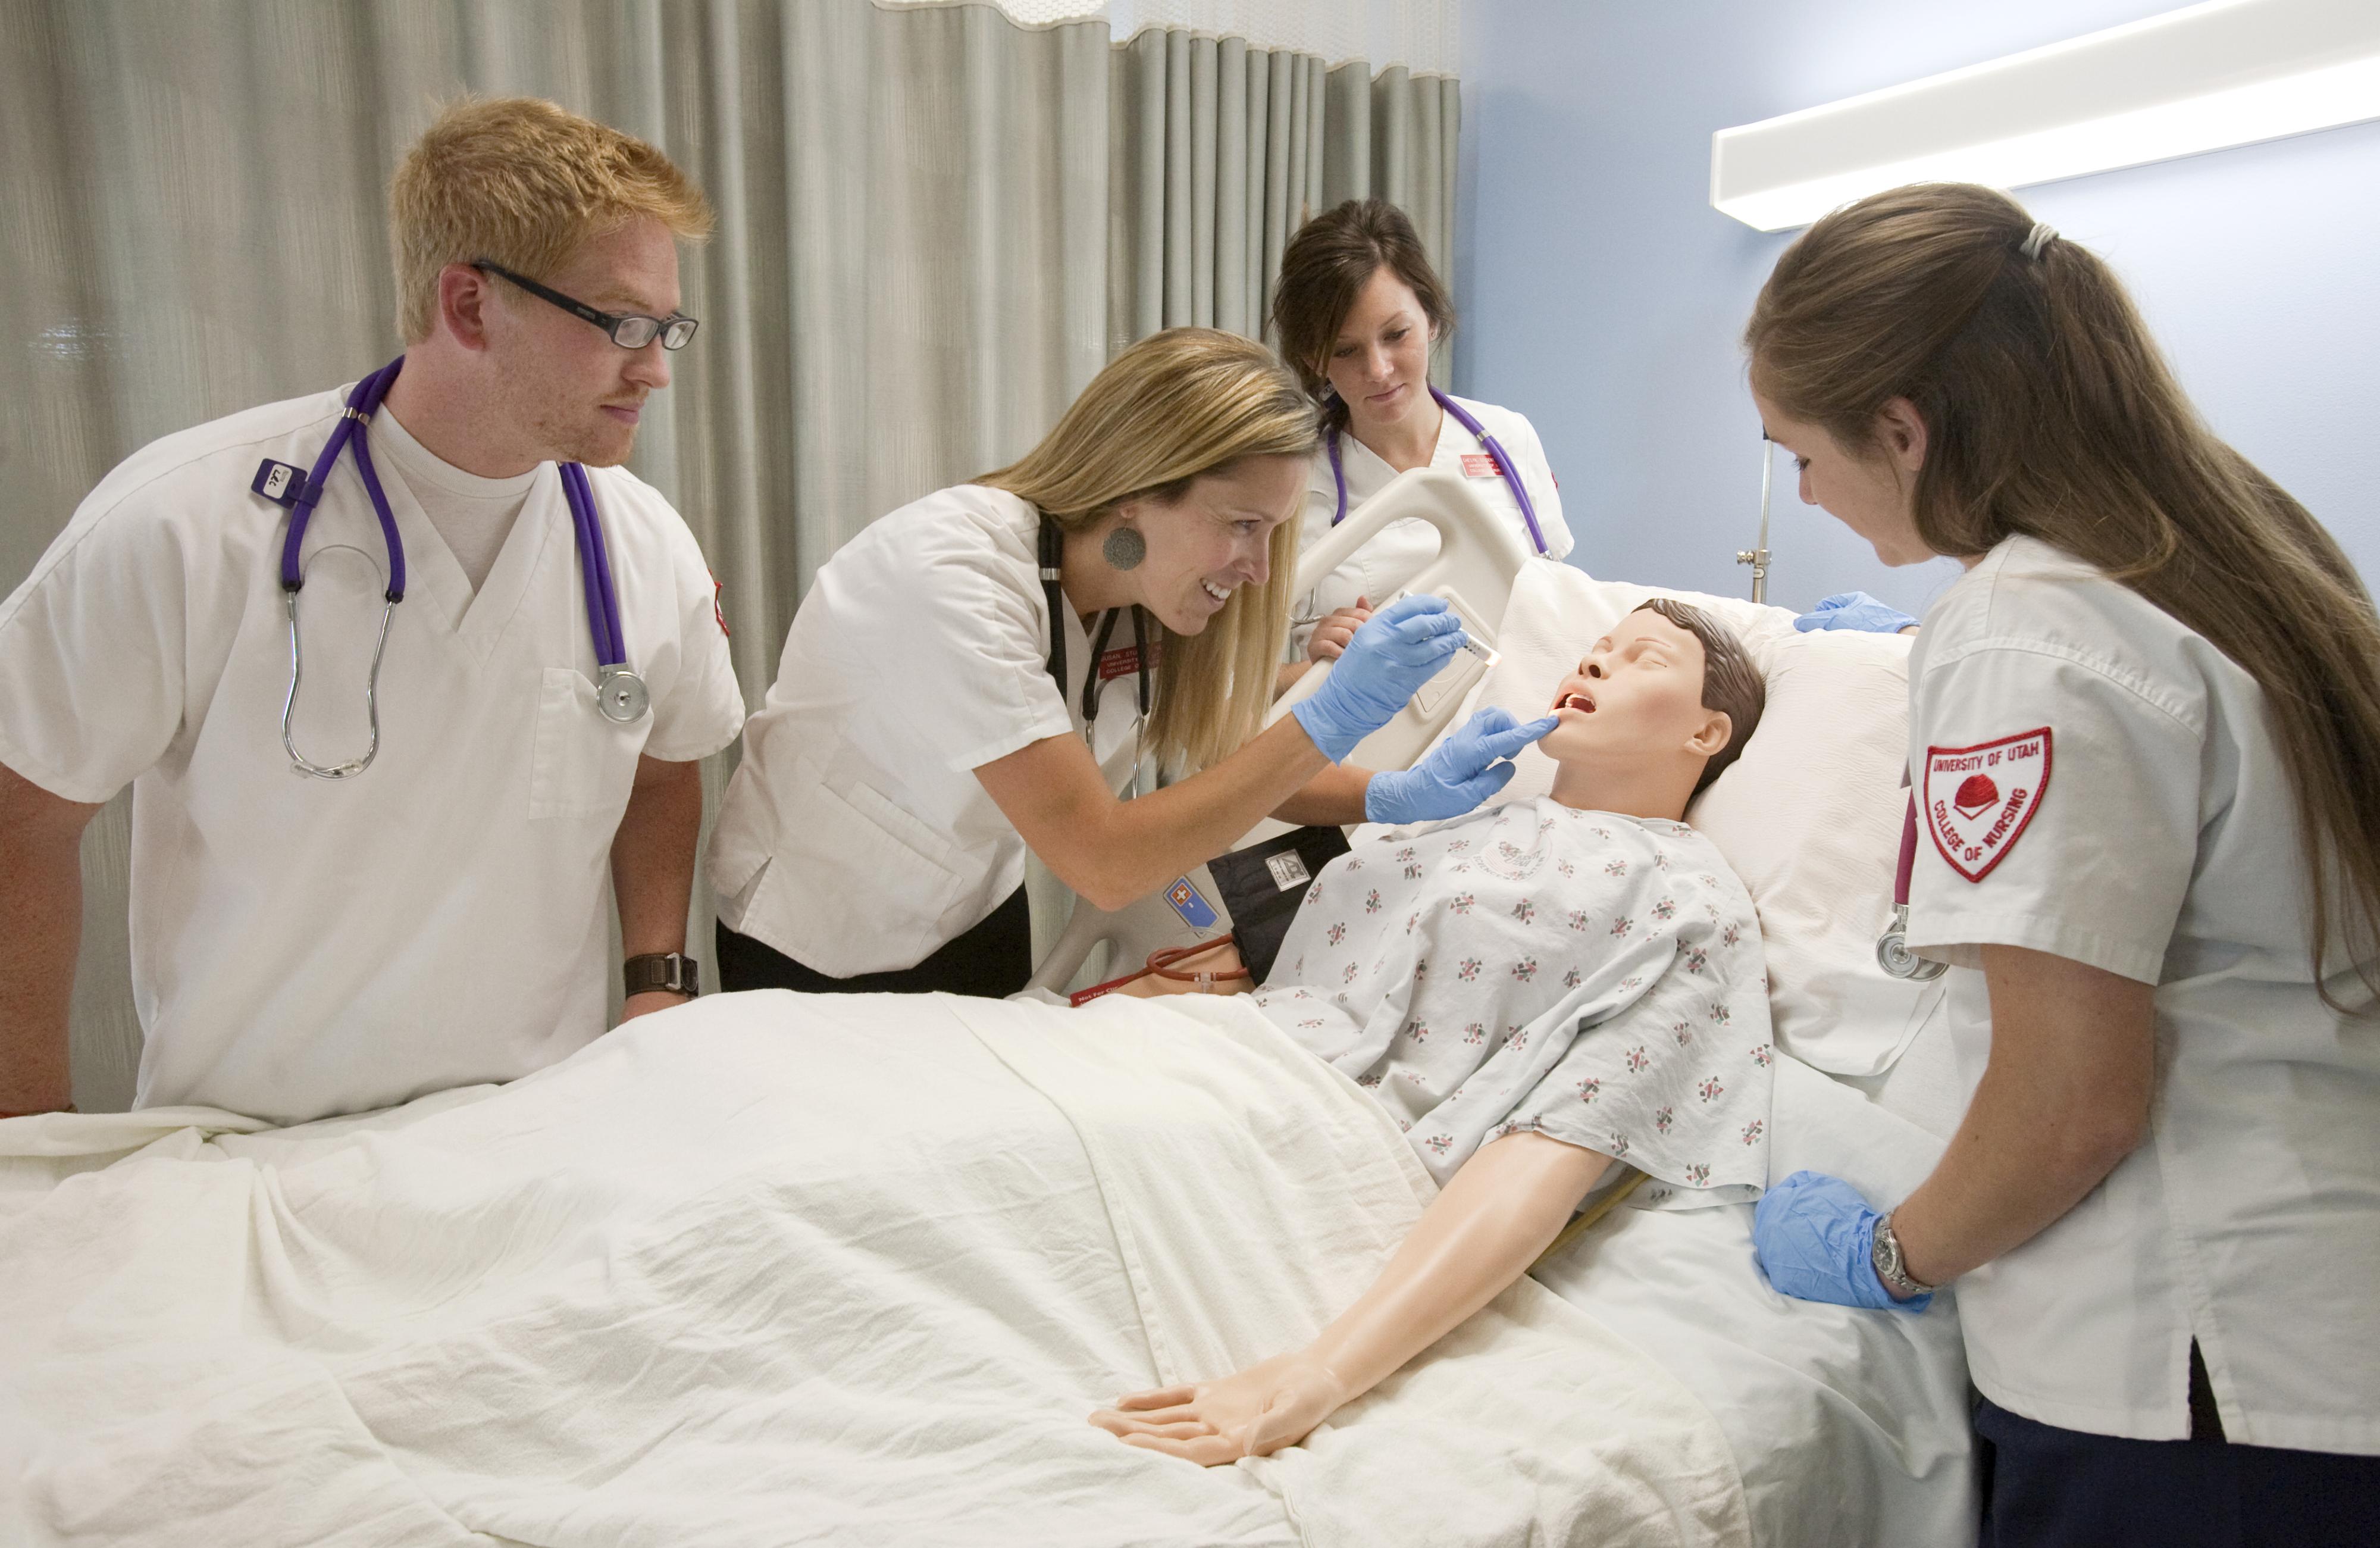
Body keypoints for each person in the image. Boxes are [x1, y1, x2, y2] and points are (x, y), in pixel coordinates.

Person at [1741, 184, 2380, 1544]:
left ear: (1901, 430)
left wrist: (1891, 1248)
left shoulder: (2024, 629)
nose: (1806, 493)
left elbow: (2072, 1096)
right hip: (2321, 1329)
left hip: (2181, 1372)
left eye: (1798, 452)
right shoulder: (2242, 553)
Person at [0, 98, 746, 1125]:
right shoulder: (181, 523)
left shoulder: (640, 542)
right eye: (621, 324)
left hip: (547, 1129)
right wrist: (25, 1145)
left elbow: (665, 771)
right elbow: (22, 813)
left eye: (667, 328)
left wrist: (657, 975)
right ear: (471, 306)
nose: (656, 368)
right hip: (257, 1148)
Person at [1090, 601, 1775, 1463]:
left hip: (1321, 1141)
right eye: (1594, 646)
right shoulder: (1466, 809)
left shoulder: (1688, 904)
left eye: (1640, 659)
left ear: (1709, 732)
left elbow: (1552, 1148)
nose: (1594, 663)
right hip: (1205, 1059)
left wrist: (1321, 1374)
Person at [707, 328, 1554, 998]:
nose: (1260, 570)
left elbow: (1229, 770)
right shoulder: (952, 580)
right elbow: (1106, 863)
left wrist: (1387, 794)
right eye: (1242, 525)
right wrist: (1324, 720)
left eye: (1273, 531)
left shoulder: (1138, 591)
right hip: (817, 930)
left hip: (967, 908)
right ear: (1135, 489)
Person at [1267, 199, 1574, 684]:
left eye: (1395, 334)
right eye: (1346, 350)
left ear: (1430, 317)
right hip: (1366, 744)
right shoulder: (1289, 480)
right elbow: (1231, 688)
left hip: (1508, 713)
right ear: (1314, 357)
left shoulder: (1508, 439)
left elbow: (1559, 603)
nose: (1378, 370)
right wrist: (1315, 667)